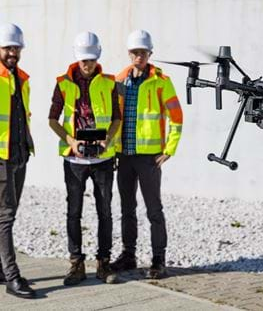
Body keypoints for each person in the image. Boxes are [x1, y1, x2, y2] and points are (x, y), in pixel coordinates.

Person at [49, 31, 121, 285]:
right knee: (73, 212)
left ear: (97, 57)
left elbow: (116, 119)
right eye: (83, 60)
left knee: (105, 212)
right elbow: (52, 119)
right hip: (74, 161)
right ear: (77, 58)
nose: (87, 64)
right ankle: (76, 264)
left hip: (103, 159)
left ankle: (104, 263)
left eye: (90, 59)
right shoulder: (63, 83)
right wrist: (71, 141)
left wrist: (107, 140)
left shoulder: (110, 83)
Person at [110, 30, 183, 279]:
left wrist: (169, 150)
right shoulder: (118, 80)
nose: (138, 56)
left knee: (154, 210)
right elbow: (112, 118)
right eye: (134, 52)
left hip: (149, 157)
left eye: (143, 52)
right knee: (127, 208)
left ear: (150, 54)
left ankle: (158, 260)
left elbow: (176, 117)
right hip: (124, 156)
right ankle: (128, 256)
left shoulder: (161, 81)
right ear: (129, 54)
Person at [0, 23, 36, 298]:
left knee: (7, 215)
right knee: (5, 217)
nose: (13, 52)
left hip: (19, 155)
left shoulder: (20, 77)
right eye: (7, 48)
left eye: (16, 47)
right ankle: (12, 276)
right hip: (1, 157)